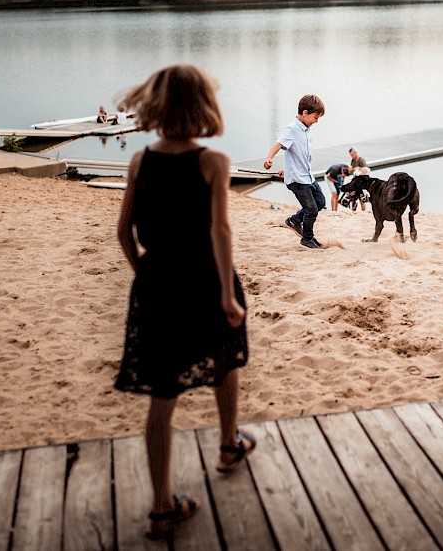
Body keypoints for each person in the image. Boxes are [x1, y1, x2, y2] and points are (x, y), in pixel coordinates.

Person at [114, 64, 253, 540]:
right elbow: (220, 230)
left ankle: (160, 507)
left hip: (157, 284)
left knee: (161, 396)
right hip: (205, 279)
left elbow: (123, 234)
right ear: (204, 107)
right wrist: (224, 294)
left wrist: (147, 277)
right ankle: (229, 445)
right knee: (225, 358)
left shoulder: (139, 161)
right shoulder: (213, 161)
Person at [263, 95, 326, 249]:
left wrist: (288, 168)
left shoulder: (306, 129)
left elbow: (298, 154)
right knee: (311, 209)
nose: (316, 121)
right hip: (297, 180)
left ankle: (294, 221)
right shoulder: (292, 129)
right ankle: (307, 239)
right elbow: (278, 144)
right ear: (305, 113)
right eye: (315, 117)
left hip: (307, 176)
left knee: (320, 202)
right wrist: (269, 158)